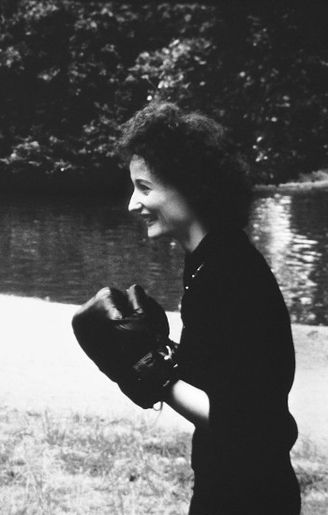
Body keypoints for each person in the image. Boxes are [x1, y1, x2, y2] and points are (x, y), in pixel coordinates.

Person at [73, 101, 300, 513]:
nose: (131, 203)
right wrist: (164, 355)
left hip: (251, 495)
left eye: (144, 187)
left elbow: (250, 421)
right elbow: (228, 380)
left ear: (192, 187)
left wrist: (152, 371)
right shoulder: (207, 256)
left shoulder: (231, 272)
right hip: (227, 480)